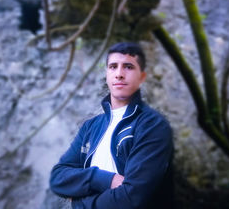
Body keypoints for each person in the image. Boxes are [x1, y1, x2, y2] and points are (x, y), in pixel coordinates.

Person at [50, 42, 174, 209]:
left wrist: (79, 204)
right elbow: (58, 177)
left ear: (142, 77)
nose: (119, 74)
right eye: (113, 67)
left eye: (128, 67)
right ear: (107, 74)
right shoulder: (91, 126)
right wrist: (104, 179)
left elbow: (132, 198)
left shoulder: (152, 125)